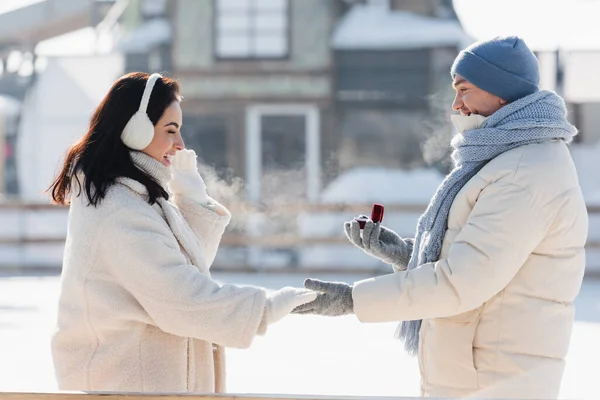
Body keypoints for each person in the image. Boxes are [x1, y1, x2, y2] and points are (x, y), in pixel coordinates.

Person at [294, 36, 588, 399]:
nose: (455, 104)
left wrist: (354, 300)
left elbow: (461, 282)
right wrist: (409, 254)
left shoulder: (522, 173)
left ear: (500, 92)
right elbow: (483, 258)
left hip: (494, 381)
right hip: (479, 373)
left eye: (464, 90)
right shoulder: (512, 159)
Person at [48, 72, 316, 393]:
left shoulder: (137, 198)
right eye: (170, 130)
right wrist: (263, 308)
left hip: (144, 386)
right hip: (126, 386)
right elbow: (181, 297)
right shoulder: (119, 211)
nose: (180, 145)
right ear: (135, 130)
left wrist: (193, 201)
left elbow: (185, 268)